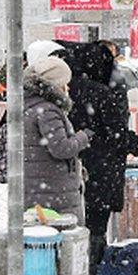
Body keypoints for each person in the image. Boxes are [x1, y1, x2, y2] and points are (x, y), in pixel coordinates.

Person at [63, 42, 138, 275]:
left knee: (73, 222)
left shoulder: (66, 90)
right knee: (97, 221)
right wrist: (130, 142)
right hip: (102, 166)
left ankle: (72, 273)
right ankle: (93, 273)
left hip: (71, 167)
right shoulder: (102, 92)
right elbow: (116, 130)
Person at [22, 57, 92, 220]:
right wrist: (83, 137)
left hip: (38, 187)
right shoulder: (47, 110)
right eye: (64, 83)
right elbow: (61, 148)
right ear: (54, 84)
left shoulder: (30, 105)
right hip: (53, 190)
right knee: (63, 238)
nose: (67, 87)